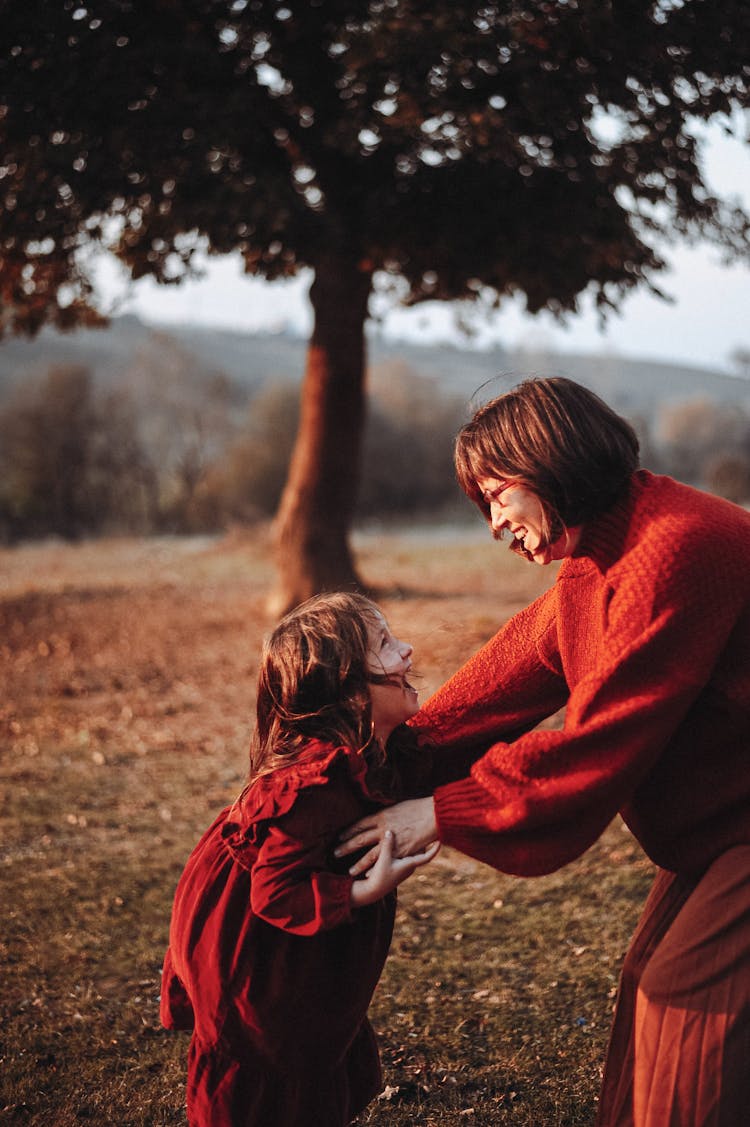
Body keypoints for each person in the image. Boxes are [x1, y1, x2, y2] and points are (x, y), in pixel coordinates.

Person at [338, 377, 750, 1125]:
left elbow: (595, 744)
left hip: (740, 831)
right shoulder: (600, 557)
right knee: (647, 980)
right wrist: (389, 756)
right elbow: (507, 675)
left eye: (497, 496)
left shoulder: (674, 548)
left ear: (548, 462)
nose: (496, 525)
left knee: (687, 993)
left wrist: (439, 809)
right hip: (721, 831)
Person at [160, 591, 439, 1127]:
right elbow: (275, 892)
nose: (407, 651)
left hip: (295, 937)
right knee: (269, 1064)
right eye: (385, 645)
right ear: (348, 693)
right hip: (256, 953)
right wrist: (362, 891)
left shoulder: (368, 755)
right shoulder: (313, 787)